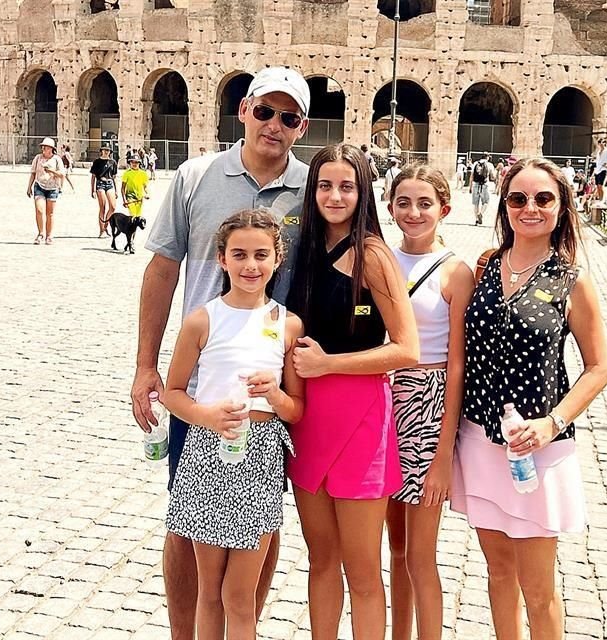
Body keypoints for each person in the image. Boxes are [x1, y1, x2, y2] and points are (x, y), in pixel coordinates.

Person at [134, 66, 311, 636]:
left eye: (289, 117)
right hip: (205, 387)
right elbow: (162, 269)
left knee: (264, 522)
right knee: (186, 523)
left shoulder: (313, 188)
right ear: (243, 111)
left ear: (301, 126)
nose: (274, 125)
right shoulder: (195, 176)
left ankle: (242, 625)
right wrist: (145, 367)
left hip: (269, 392)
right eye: (265, 111)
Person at [453, 157, 607, 640]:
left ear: (562, 207)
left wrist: (552, 422)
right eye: (518, 198)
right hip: (479, 438)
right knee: (498, 575)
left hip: (536, 447)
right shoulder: (483, 267)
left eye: (544, 199)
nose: (530, 208)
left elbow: (599, 368)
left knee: (538, 590)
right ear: (504, 205)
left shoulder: (571, 279)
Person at [286, 143, 419, 639]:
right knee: (321, 561)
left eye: (347, 186)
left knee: (362, 571)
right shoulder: (301, 249)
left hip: (360, 419)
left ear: (363, 191)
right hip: (307, 416)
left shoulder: (374, 255)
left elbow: (406, 348)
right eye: (325, 185)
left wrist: (327, 364)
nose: (335, 196)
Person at [162, 209, 305, 640]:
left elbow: (297, 408)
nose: (250, 265)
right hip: (207, 459)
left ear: (277, 259)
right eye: (239, 254)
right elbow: (173, 392)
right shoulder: (202, 320)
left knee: (240, 596)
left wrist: (276, 396)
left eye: (261, 254)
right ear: (221, 259)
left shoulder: (288, 324)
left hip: (259, 460)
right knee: (209, 592)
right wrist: (206, 416)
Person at [385, 166, 474, 640]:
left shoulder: (456, 272)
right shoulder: (380, 258)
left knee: (420, 552)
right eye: (403, 202)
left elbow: (457, 364)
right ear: (389, 205)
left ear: (444, 208)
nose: (413, 213)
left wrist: (442, 456)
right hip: (381, 400)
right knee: (394, 546)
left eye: (424, 203)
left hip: (428, 403)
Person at [25, 137, 65, 245]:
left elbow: (62, 174)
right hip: (39, 186)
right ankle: (40, 233)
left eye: (46, 147)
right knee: (39, 210)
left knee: (50, 213)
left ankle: (49, 236)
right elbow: (33, 173)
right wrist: (29, 186)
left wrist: (51, 170)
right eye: (43, 147)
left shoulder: (57, 159)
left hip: (52, 188)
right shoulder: (38, 158)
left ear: (51, 148)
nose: (43, 149)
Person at [90, 144, 118, 237]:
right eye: (104, 150)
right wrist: (92, 190)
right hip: (100, 184)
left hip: (110, 184)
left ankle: (106, 225)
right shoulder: (97, 162)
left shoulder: (113, 162)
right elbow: (93, 176)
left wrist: (116, 190)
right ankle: (101, 230)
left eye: (108, 150)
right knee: (103, 207)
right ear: (101, 151)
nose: (106, 152)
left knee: (113, 207)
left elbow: (114, 177)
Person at [470, 153, 494, 225]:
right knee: (486, 202)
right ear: (487, 158)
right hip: (485, 185)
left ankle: (476, 220)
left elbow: (472, 176)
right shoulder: (490, 165)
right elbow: (492, 176)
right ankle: (480, 213)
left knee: (476, 203)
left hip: (475, 185)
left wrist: (470, 187)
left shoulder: (475, 163)